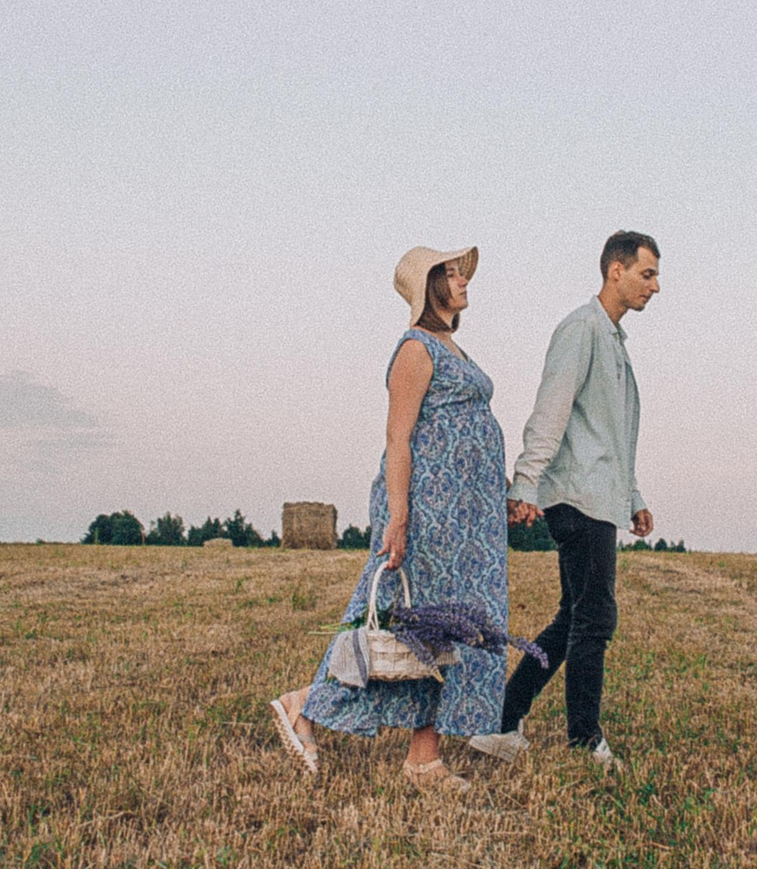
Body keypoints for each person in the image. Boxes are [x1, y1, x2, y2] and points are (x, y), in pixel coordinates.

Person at [270, 245, 512, 793]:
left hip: (468, 519)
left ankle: (423, 759)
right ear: (429, 287)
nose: (460, 280)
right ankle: (305, 703)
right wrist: (398, 518)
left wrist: (496, 488)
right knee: (397, 619)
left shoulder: (455, 347)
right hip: (428, 511)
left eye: (458, 272)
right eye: (449, 274)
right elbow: (398, 439)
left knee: (445, 632)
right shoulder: (415, 348)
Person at [469, 230, 660, 769]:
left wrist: (633, 495)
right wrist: (525, 483)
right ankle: (584, 741)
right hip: (576, 497)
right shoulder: (581, 330)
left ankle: (504, 721)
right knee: (594, 619)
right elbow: (551, 409)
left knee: (572, 617)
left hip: (600, 496)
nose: (656, 286)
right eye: (647, 274)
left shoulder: (613, 341)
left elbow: (610, 433)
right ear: (615, 271)